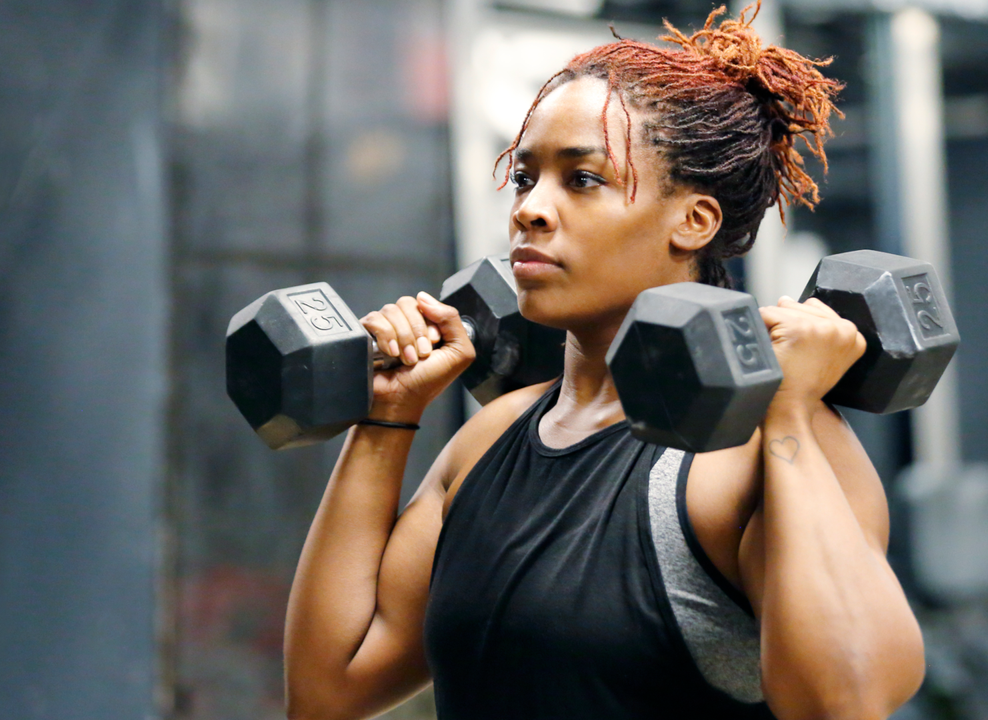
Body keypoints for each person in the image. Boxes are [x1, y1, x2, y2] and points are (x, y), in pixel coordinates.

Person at [283, 5, 925, 719]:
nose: (530, 209)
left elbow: (846, 702)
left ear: (694, 221)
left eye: (581, 179)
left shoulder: (751, 449)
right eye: (525, 178)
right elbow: (327, 691)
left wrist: (793, 415)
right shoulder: (489, 439)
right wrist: (384, 418)